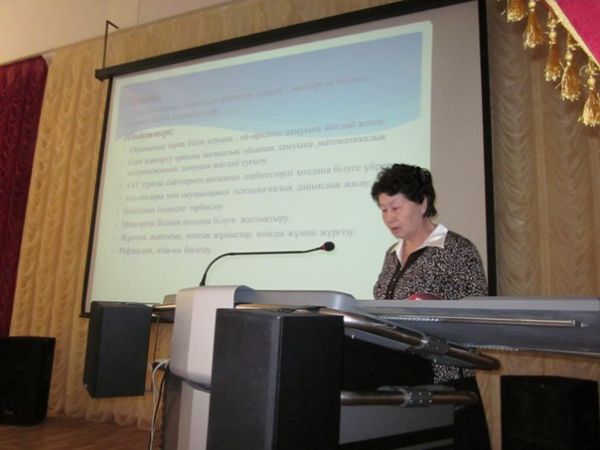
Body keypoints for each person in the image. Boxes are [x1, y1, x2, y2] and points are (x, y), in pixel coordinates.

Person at [370, 163, 491, 449]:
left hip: (446, 381)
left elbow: (476, 317)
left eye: (396, 207)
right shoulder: (391, 254)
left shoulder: (457, 249)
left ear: (423, 203)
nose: (388, 217)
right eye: (383, 209)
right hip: (401, 376)